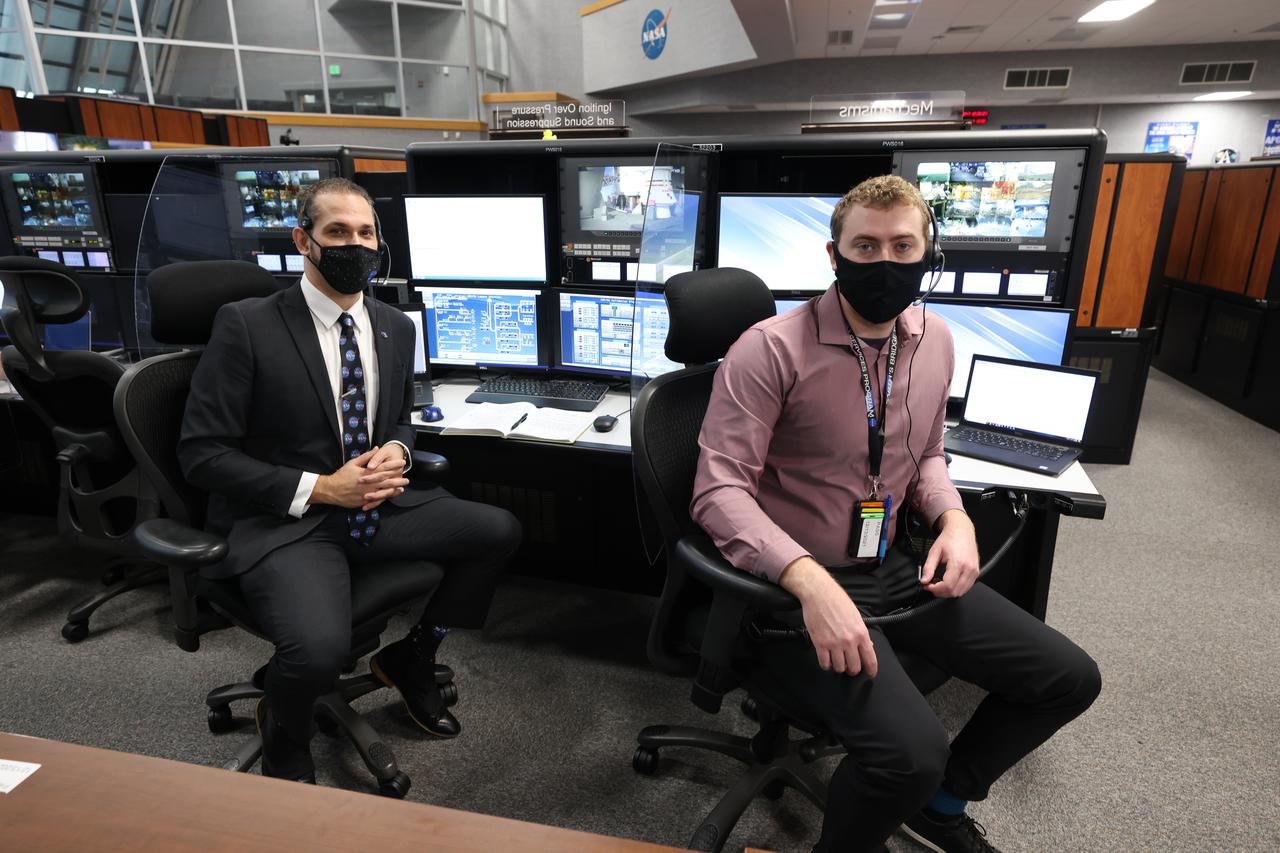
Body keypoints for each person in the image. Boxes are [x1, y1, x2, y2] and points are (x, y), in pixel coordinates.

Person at [690, 175, 1100, 852]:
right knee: (909, 752)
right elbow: (717, 491)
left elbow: (927, 454)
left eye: (902, 245)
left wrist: (955, 518)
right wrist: (806, 579)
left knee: (1066, 678)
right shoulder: (769, 349)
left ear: (926, 252)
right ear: (833, 255)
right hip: (790, 589)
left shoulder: (933, 338)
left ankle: (941, 805)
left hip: (893, 565)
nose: (885, 261)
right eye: (866, 245)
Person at [179, 177, 521, 783]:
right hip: (287, 521)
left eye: (366, 232)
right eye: (337, 231)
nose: (354, 244)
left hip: (375, 507)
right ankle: (283, 727)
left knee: (497, 531)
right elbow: (203, 456)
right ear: (303, 241)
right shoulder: (247, 325)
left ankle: (414, 658)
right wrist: (320, 488)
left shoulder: (394, 325)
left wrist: (396, 450)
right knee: (316, 653)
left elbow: (398, 421)